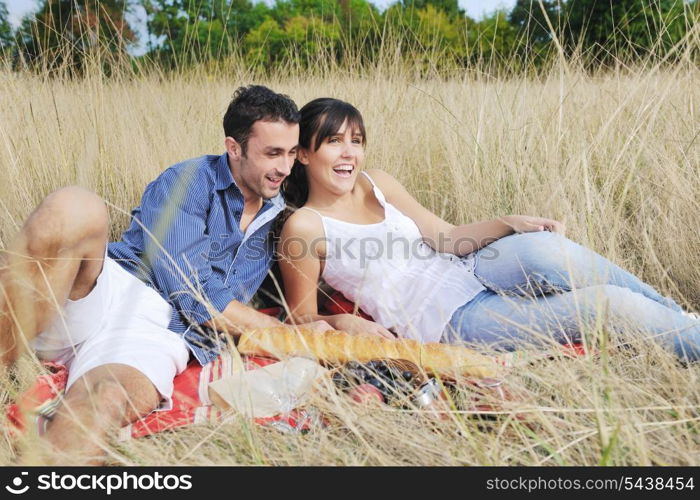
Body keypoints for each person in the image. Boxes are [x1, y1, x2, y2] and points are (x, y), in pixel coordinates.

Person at [0, 85, 329, 464]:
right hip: (108, 287)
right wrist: (286, 336)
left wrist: (332, 324)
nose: (285, 167)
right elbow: (193, 293)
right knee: (74, 205)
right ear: (234, 148)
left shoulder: (284, 214)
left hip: (157, 336)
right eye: (272, 153)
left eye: (291, 153)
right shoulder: (189, 180)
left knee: (102, 401)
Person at [277, 97, 700, 362]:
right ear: (302, 155)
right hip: (454, 319)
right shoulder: (306, 225)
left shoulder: (378, 183)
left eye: (357, 140)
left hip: (471, 270)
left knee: (545, 248)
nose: (350, 152)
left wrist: (509, 224)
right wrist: (342, 325)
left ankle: (677, 316)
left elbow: (446, 238)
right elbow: (300, 319)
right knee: (609, 306)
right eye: (334, 141)